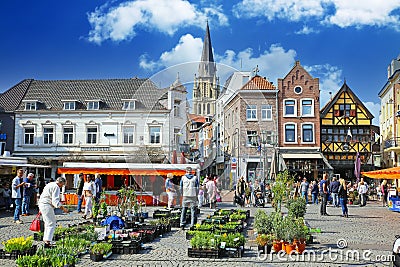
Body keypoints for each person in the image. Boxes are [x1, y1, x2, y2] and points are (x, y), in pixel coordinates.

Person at [38, 177, 69, 247]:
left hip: (42, 203)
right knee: (51, 223)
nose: (62, 186)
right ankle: (47, 242)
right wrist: (63, 208)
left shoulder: (50, 184)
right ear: (61, 183)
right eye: (63, 185)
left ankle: (46, 239)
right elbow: (55, 202)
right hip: (47, 205)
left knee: (47, 223)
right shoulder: (56, 187)